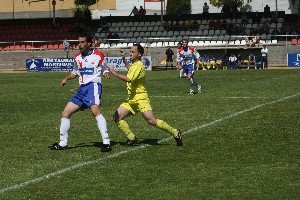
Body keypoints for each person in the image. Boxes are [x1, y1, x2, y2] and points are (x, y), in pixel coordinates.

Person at [107, 44, 183, 146]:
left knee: (151, 120)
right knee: (117, 116)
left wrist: (114, 72)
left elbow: (129, 79)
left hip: (140, 98)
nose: (130, 53)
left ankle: (175, 132)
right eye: (130, 51)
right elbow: (129, 68)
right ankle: (131, 137)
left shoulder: (139, 65)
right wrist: (124, 58)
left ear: (139, 54)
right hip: (131, 99)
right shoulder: (135, 64)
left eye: (133, 52)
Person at [50, 33, 112, 152]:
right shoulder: (77, 57)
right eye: (79, 42)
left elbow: (103, 67)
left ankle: (106, 142)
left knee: (95, 111)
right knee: (65, 113)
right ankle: (63, 144)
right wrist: (67, 78)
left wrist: (105, 73)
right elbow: (75, 72)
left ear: (89, 43)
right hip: (82, 89)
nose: (80, 44)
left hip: (93, 86)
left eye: (83, 42)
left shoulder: (98, 55)